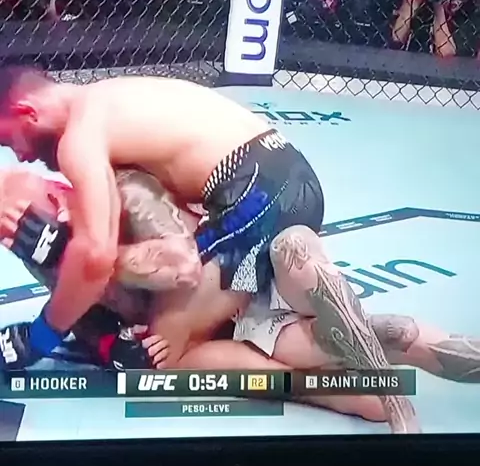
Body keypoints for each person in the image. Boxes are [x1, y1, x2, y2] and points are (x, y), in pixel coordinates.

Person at [0, 68, 393, 390]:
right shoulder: (107, 99)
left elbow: (98, 258)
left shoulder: (80, 138)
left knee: (164, 357)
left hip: (255, 198)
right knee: (217, 317)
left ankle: (333, 391)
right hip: (283, 181)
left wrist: (41, 335)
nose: (19, 154)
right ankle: (362, 343)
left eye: (7, 140)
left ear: (26, 111)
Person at [2, 167, 479, 429]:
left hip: (247, 284)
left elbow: (184, 266)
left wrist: (85, 258)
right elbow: (84, 319)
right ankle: (349, 359)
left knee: (190, 353)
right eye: (8, 235)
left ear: (57, 200)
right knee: (362, 399)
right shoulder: (41, 253)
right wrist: (113, 346)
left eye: (18, 223)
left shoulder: (127, 194)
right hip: (217, 336)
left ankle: (353, 344)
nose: (16, 238)